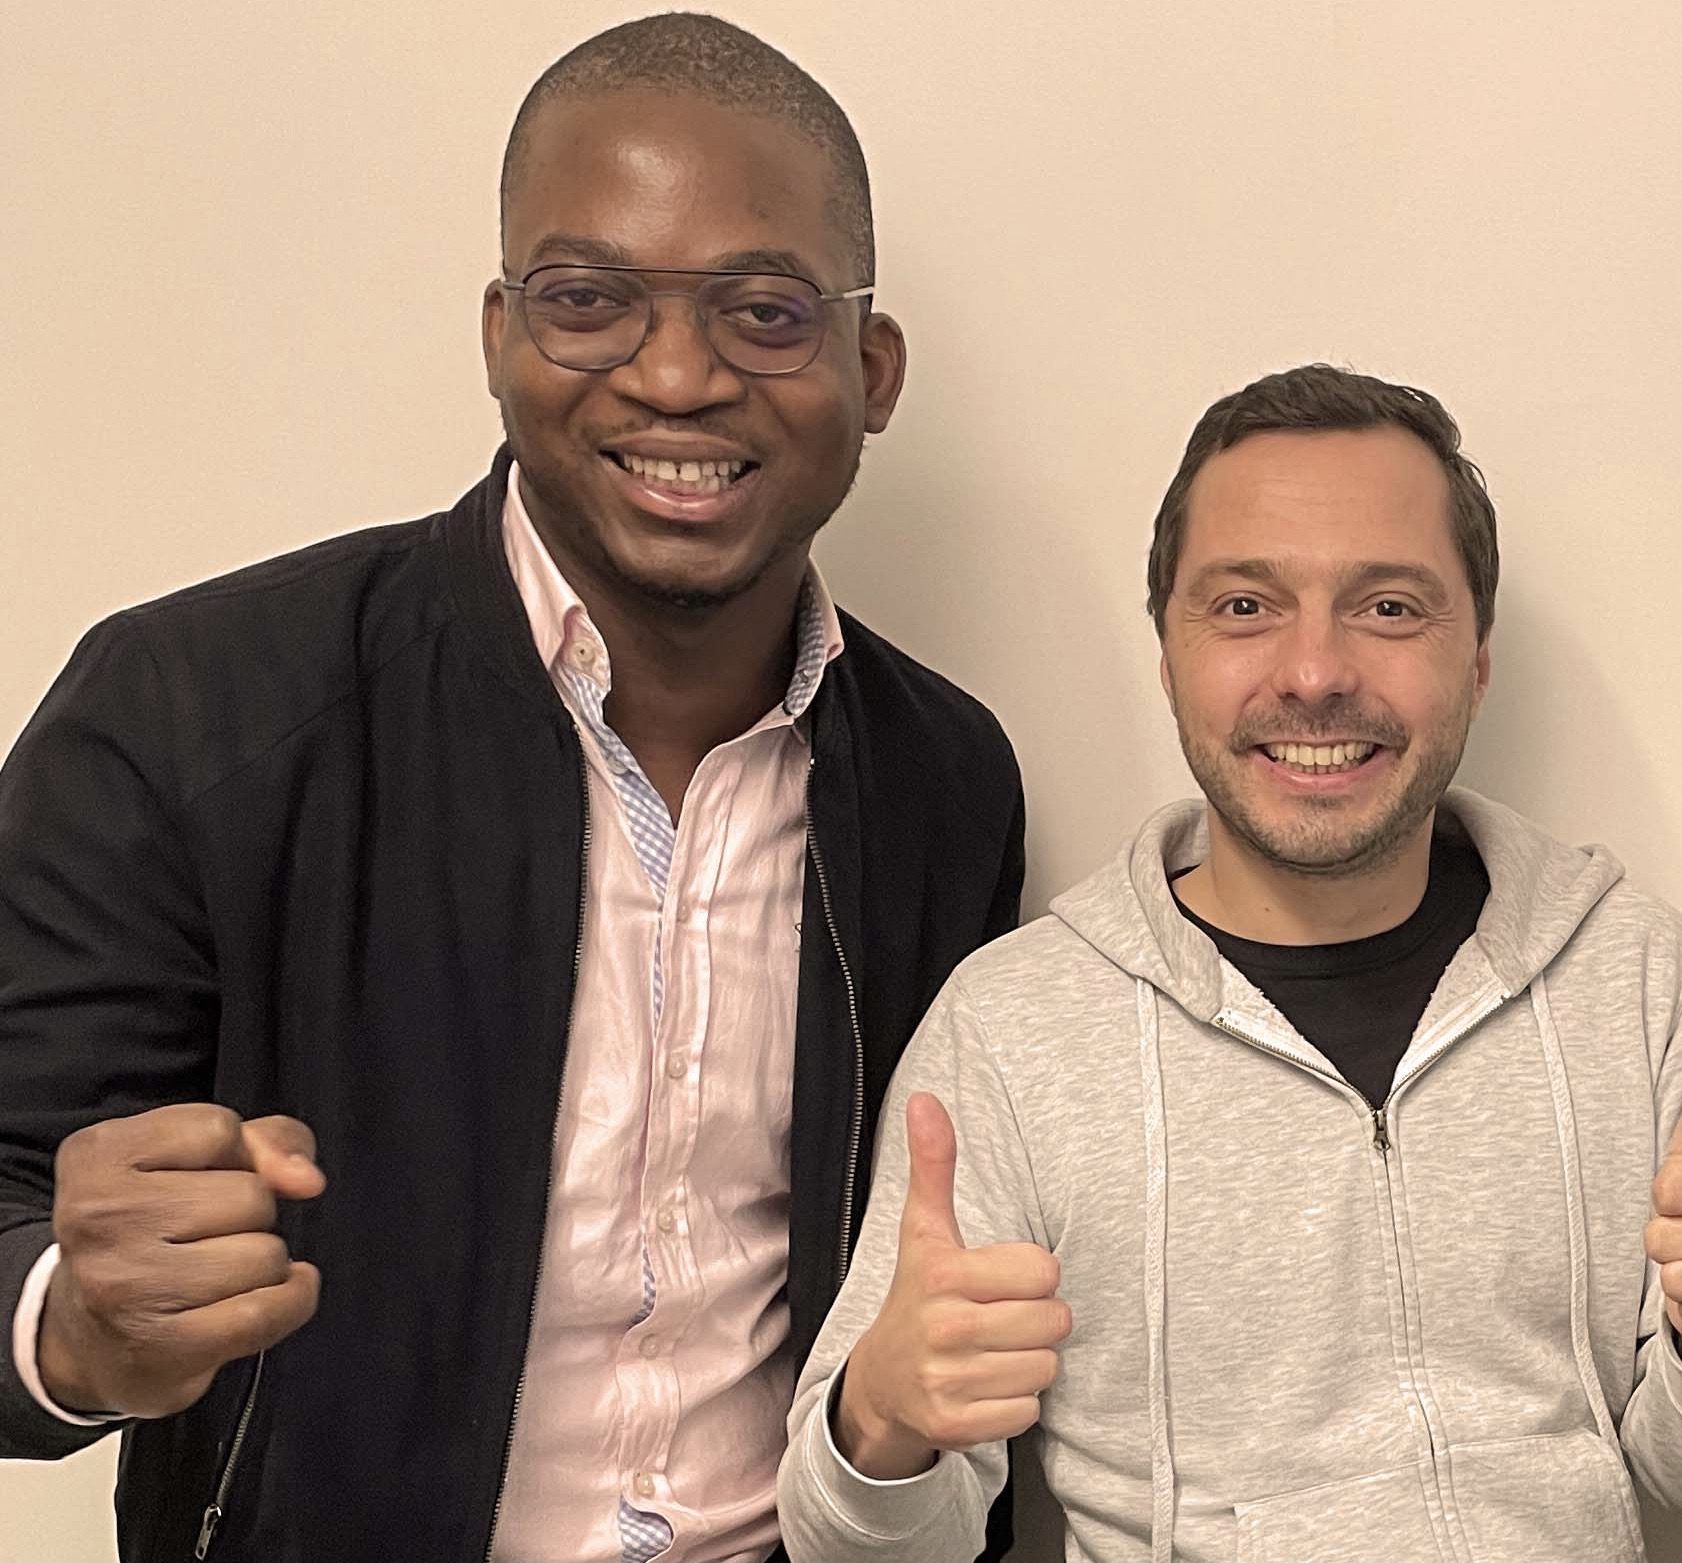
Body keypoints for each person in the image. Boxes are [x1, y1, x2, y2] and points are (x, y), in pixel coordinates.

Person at [0, 16, 1025, 1561]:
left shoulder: (946, 778)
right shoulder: (190, 711)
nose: (676, 376)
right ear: (499, 337)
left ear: (870, 372)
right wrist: (77, 1329)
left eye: (763, 312)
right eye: (589, 301)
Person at [776, 365, 1682, 1560]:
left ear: (1476, 661)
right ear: (1170, 657)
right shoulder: (1014, 1031)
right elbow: (860, 1549)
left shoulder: (1634, 974)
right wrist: (881, 1424)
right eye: (1246, 606)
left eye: (1390, 607)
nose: (1315, 674)